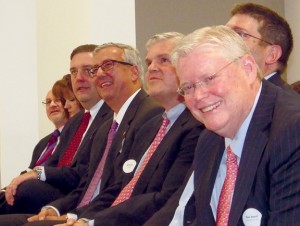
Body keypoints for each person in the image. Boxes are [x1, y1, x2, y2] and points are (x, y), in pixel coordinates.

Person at [0, 42, 164, 226]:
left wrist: (84, 218)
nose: (99, 74)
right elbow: (88, 183)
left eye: (107, 66)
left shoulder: (151, 114)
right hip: (84, 208)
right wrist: (58, 209)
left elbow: (125, 187)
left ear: (134, 72)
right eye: (95, 69)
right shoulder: (105, 128)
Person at [152, 25, 300, 226]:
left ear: (247, 69)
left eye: (209, 78)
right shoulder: (209, 139)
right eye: (188, 87)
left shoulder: (292, 131)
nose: (199, 96)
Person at [0, 44, 113, 215]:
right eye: (73, 72)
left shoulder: (112, 117)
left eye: (88, 70)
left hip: (77, 198)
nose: (79, 78)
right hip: (52, 193)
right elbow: (53, 163)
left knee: (28, 189)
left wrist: (37, 173)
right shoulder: (76, 122)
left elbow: (84, 174)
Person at [226, 2, 296, 94]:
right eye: (225, 33)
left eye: (239, 34)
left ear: (272, 55)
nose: (224, 40)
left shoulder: (287, 106)